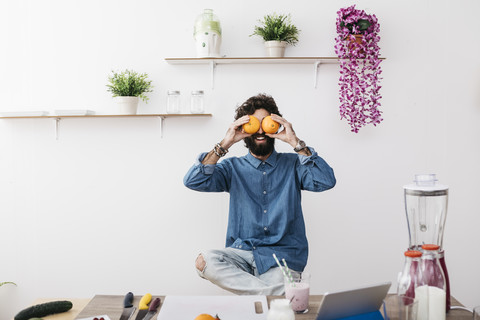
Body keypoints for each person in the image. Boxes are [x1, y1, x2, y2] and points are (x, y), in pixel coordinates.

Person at [183, 93, 336, 295]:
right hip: (241, 254)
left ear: (277, 125)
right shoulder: (231, 168)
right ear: (244, 128)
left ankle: (273, 298)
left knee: (268, 300)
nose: (262, 130)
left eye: (267, 123)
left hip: (283, 258)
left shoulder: (294, 164)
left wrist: (295, 142)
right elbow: (193, 180)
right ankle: (277, 296)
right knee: (205, 261)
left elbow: (326, 181)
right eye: (255, 123)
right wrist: (225, 143)